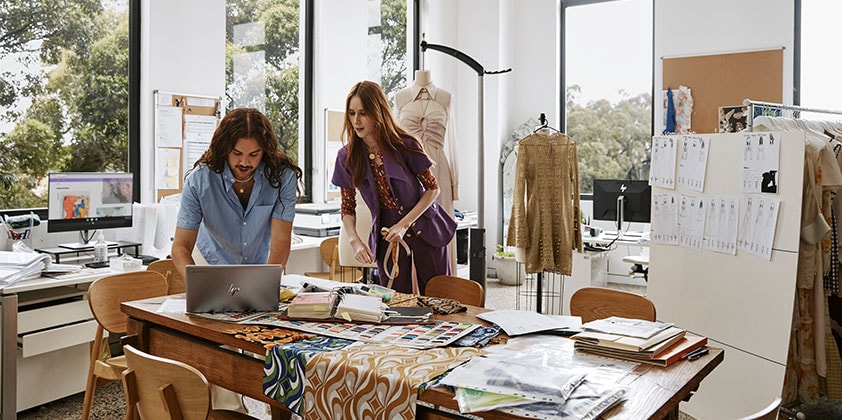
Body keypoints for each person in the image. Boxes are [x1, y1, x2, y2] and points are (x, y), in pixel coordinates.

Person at [332, 81, 456, 295]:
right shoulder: (346, 157)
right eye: (352, 113)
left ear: (377, 112)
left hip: (425, 226)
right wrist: (355, 241)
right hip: (387, 237)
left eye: (363, 113)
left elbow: (432, 189)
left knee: (440, 298)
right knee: (394, 302)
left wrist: (404, 224)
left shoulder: (405, 144)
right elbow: (347, 207)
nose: (356, 120)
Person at [171, 107, 302, 282]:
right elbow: (180, 247)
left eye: (254, 154)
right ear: (224, 148)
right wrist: (198, 286)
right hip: (209, 265)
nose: (244, 162)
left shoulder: (282, 178)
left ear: (265, 151)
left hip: (263, 267)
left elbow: (281, 241)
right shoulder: (200, 181)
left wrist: (266, 285)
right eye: (237, 153)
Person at [394, 69, 459, 274]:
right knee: (412, 225)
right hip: (409, 169)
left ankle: (444, 284)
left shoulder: (446, 98)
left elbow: (452, 141)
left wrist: (455, 183)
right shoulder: (400, 98)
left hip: (439, 168)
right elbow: (395, 140)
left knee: (440, 227)